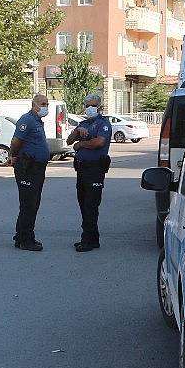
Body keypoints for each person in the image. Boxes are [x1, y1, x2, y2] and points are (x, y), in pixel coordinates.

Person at [66, 92, 113, 251]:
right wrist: (77, 131)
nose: (90, 108)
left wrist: (81, 144)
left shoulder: (103, 123)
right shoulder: (83, 123)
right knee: (83, 203)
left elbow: (99, 142)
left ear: (99, 107)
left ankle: (87, 240)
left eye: (93, 105)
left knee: (90, 205)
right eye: (87, 106)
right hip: (82, 168)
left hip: (95, 169)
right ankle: (92, 238)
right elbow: (69, 141)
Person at [9, 94, 51, 252]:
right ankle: (26, 239)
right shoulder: (27, 120)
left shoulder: (37, 121)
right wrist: (13, 155)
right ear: (34, 105)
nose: (45, 107)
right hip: (28, 167)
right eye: (43, 104)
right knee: (29, 203)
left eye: (47, 104)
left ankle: (21, 236)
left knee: (33, 203)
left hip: (37, 167)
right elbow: (16, 141)